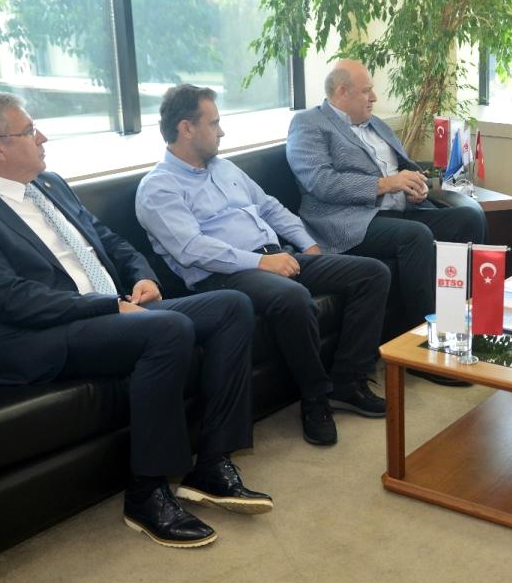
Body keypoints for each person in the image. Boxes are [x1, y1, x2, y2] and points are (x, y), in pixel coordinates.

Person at [0, 93, 272, 549]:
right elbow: (8, 298)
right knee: (168, 329)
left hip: (110, 312)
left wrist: (142, 277)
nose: (42, 136)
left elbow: (109, 240)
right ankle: (147, 494)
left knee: (231, 306)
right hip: (37, 336)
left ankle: (210, 463)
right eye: (30, 131)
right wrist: (106, 306)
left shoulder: (49, 184)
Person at [137, 85, 391, 447]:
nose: (222, 132)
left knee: (372, 273)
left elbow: (269, 207)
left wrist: (309, 245)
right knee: (293, 297)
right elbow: (193, 249)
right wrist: (261, 262)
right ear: (186, 128)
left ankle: (348, 380)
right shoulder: (158, 188)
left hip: (276, 256)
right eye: (214, 123)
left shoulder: (225, 168)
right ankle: (315, 398)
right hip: (224, 276)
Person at [285, 59, 486, 330]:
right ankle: (426, 336)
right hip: (349, 221)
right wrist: (386, 184)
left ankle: (458, 318)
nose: (374, 97)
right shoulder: (308, 123)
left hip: (400, 211)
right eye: (366, 90)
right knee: (416, 236)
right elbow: (321, 182)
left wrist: (415, 186)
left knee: (470, 219)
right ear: (342, 91)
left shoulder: (375, 124)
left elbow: (402, 168)